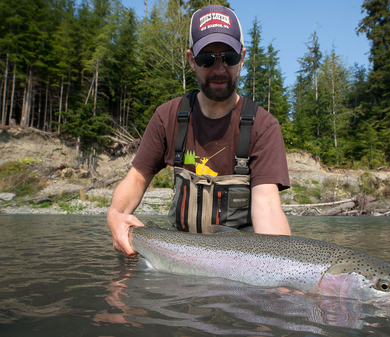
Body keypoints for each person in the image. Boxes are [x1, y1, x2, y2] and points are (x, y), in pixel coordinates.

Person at [107, 5, 291, 258]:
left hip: (238, 263)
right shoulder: (168, 117)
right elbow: (137, 177)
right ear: (191, 59)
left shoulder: (263, 126)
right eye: (206, 59)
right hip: (176, 255)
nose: (218, 70)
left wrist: (281, 270)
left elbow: (268, 206)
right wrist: (116, 215)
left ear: (243, 57)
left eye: (229, 57)